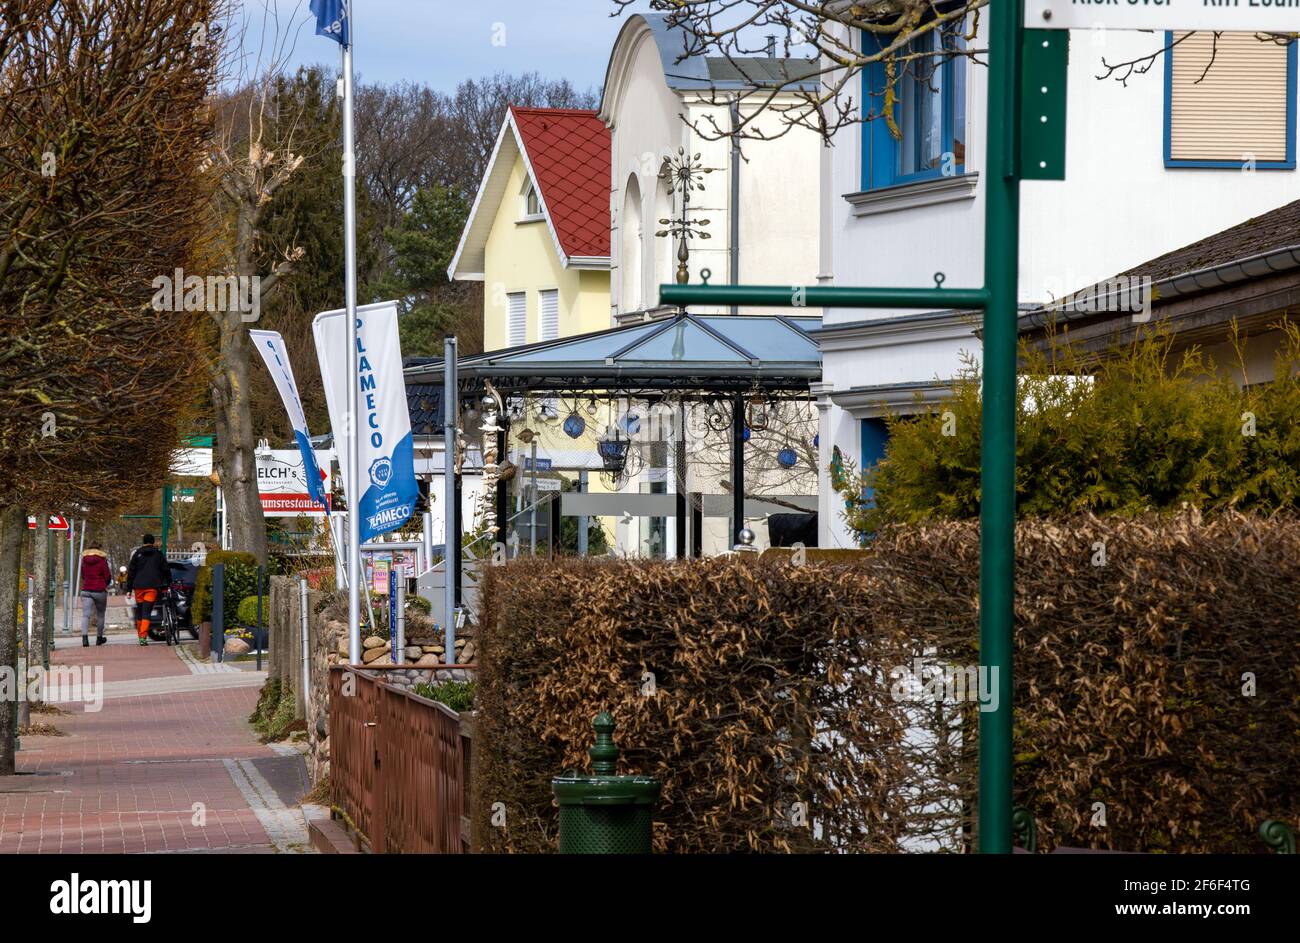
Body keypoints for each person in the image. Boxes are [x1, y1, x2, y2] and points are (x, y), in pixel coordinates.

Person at [126, 534, 171, 646]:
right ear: (153, 542)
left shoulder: (137, 554)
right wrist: (168, 582)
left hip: (138, 587)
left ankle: (141, 636)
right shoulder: (158, 554)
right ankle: (143, 637)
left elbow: (131, 572)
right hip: (152, 587)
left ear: (143, 541)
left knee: (140, 612)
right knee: (147, 612)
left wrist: (129, 588)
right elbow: (166, 569)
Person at [78, 540, 112, 647]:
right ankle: (99, 638)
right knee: (100, 615)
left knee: (85, 615)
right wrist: (104, 584)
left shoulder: (84, 560)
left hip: (86, 590)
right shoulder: (102, 560)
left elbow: (83, 575)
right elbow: (107, 575)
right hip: (99, 590)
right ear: (99, 549)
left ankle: (84, 639)